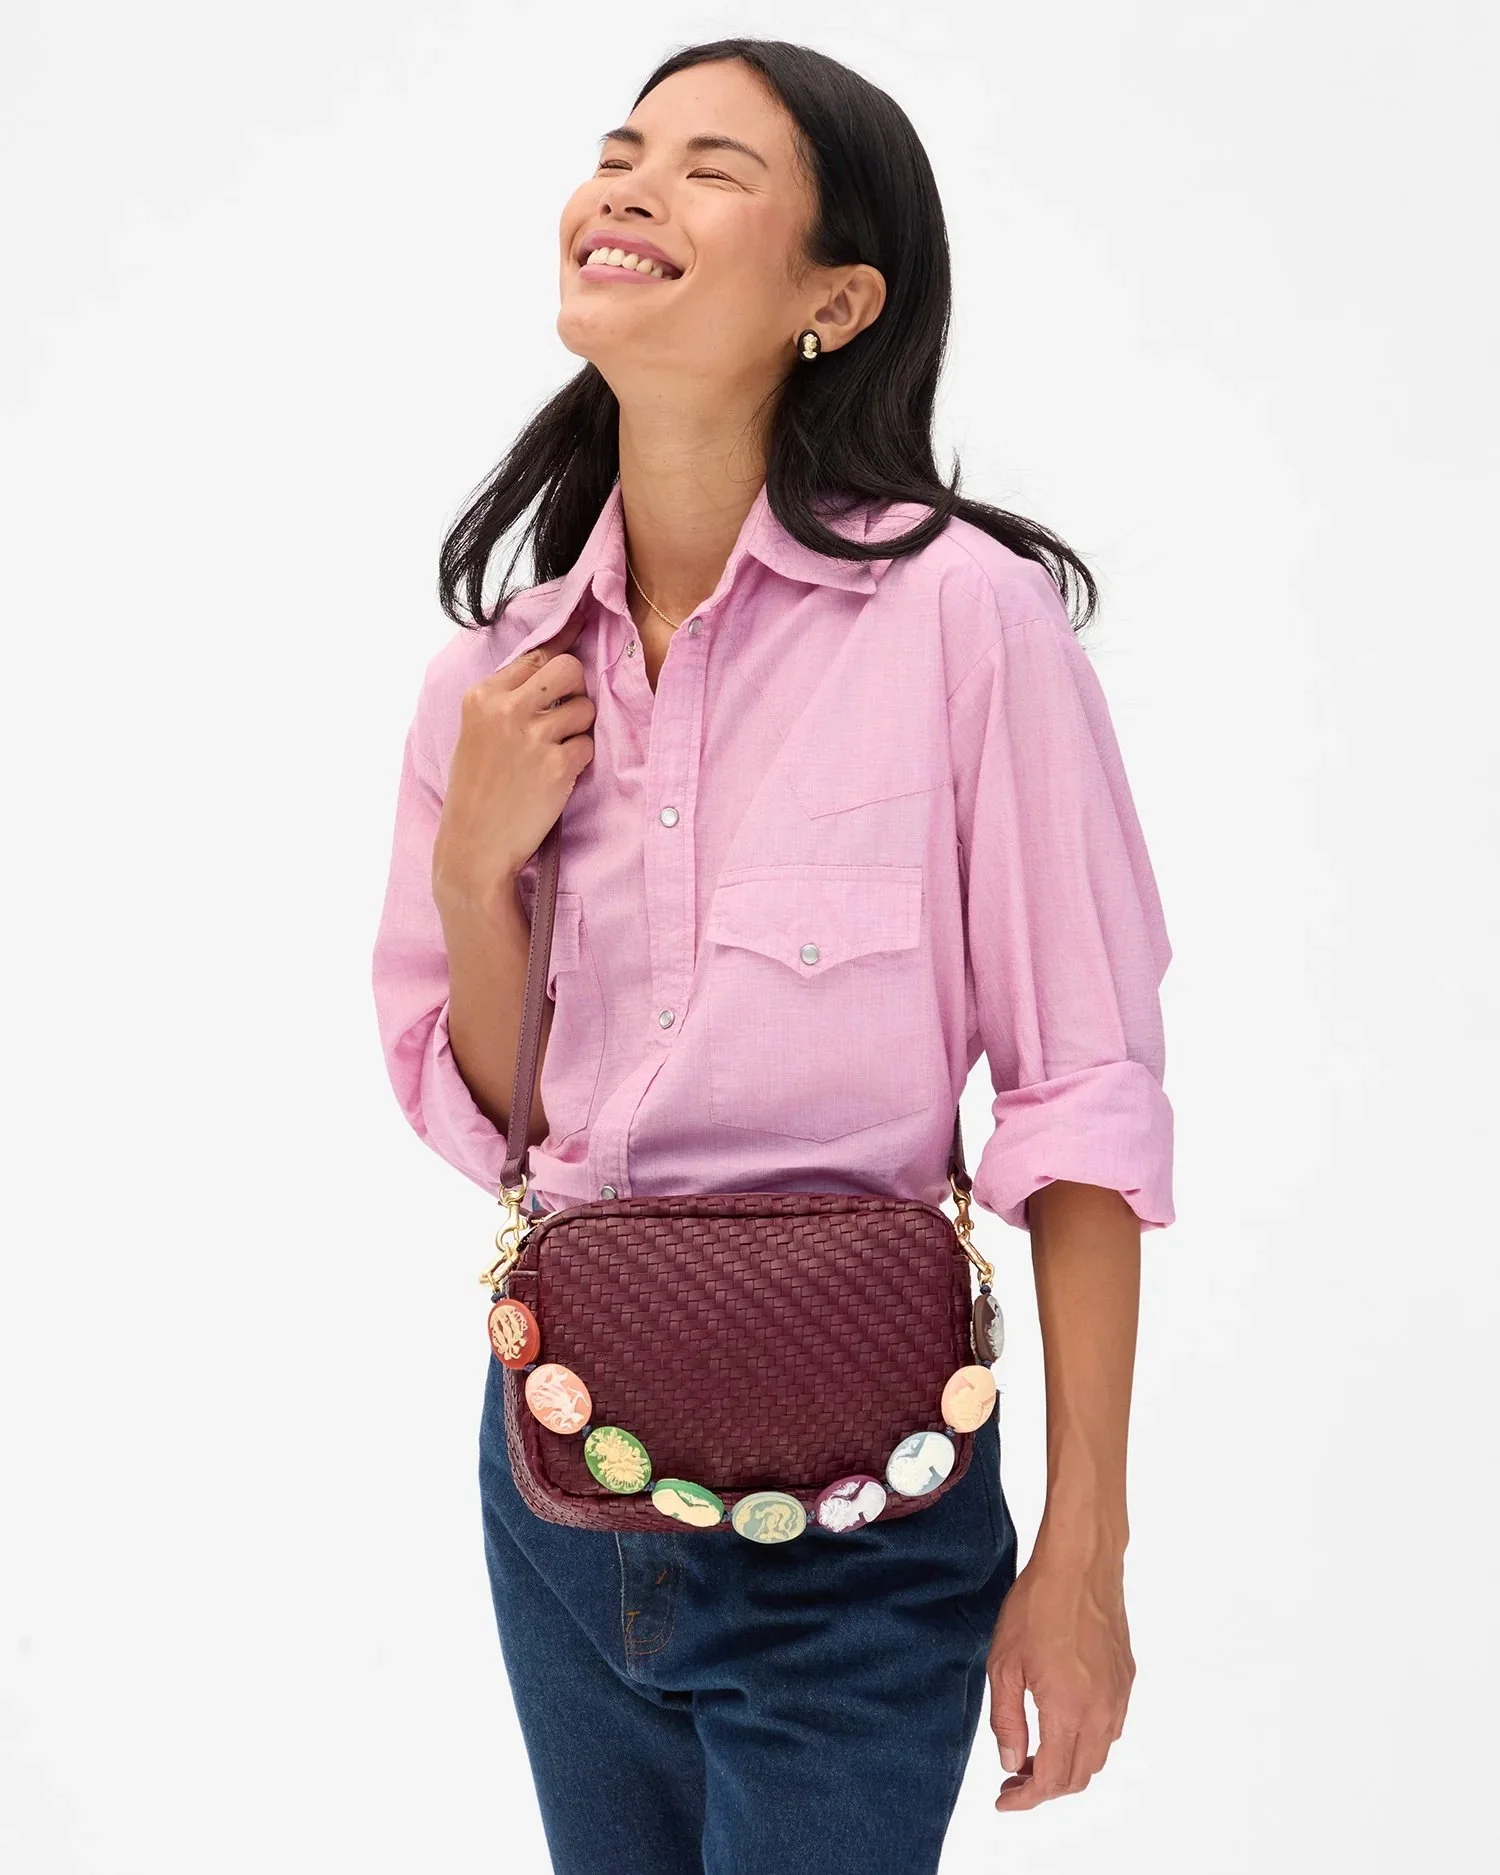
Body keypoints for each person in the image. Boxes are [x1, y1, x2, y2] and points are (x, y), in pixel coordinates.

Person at [370, 35, 1175, 1875]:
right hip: (564, 1474)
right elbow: (504, 1128)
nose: (633, 184)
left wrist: (1085, 1547)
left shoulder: (964, 620)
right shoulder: (494, 679)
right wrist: (478, 864)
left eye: (713, 167)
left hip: (868, 1508)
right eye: (623, 148)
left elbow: (1084, 1098)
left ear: (838, 299)